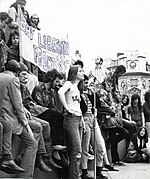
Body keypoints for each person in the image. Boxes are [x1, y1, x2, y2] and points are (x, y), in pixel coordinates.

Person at [17, 63, 64, 169]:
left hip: (35, 111)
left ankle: (49, 155)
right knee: (43, 125)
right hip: (34, 112)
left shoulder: (50, 92)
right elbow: (33, 104)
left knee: (57, 119)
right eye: (23, 75)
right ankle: (43, 156)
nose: (25, 78)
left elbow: (51, 107)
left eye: (26, 75)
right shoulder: (38, 88)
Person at [0, 60, 40, 179]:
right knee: (32, 143)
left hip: (3, 118)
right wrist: (26, 125)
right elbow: (17, 105)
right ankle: (26, 176)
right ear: (17, 72)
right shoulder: (13, 80)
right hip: (10, 119)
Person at [80, 75, 118, 179]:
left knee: (100, 146)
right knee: (85, 147)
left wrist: (93, 93)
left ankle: (99, 170)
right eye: (85, 83)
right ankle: (84, 172)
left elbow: (99, 104)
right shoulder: (78, 94)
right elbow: (82, 109)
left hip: (93, 120)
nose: (86, 85)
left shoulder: (91, 93)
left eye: (87, 83)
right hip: (84, 120)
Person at [58, 65, 85, 179]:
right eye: (80, 71)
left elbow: (77, 106)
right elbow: (60, 92)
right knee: (76, 150)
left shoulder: (77, 88)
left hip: (78, 118)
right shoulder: (69, 84)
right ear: (74, 73)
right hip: (71, 118)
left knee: (75, 150)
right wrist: (67, 108)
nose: (82, 72)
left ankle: (72, 174)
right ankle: (74, 176)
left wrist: (82, 120)